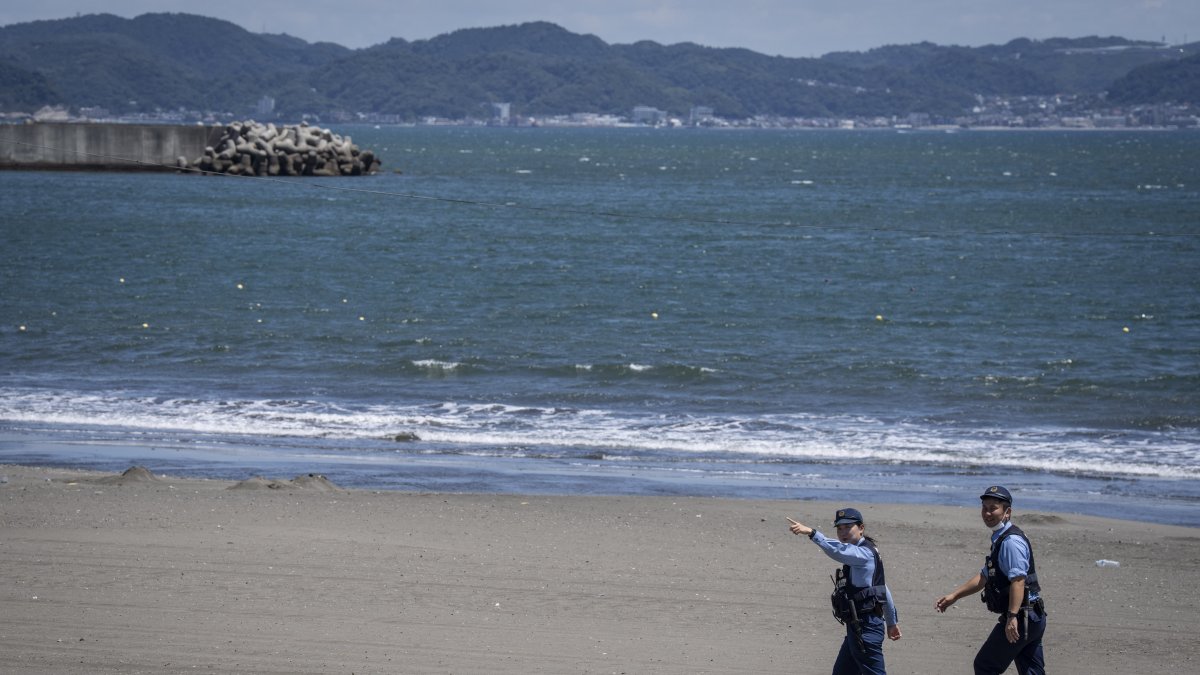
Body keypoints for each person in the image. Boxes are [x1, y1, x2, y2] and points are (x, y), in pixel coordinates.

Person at [934, 485, 1047, 675]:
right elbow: (984, 576)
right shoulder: (1001, 538)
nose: (987, 513)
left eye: (993, 508)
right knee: (1032, 672)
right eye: (984, 508)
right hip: (1033, 616)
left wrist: (1011, 617)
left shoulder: (1011, 542)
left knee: (985, 666)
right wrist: (954, 596)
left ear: (1007, 512)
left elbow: (1018, 580)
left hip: (1022, 616)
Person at [788, 508, 902, 675]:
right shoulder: (866, 550)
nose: (843, 532)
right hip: (857, 626)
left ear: (861, 528)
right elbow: (882, 589)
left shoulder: (863, 553)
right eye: (839, 528)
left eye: (848, 527)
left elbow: (838, 550)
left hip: (866, 627)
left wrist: (812, 533)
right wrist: (891, 623)